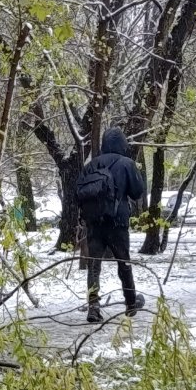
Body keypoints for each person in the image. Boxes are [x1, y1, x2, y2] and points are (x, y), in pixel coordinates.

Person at [76, 127, 145, 323]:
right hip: (117, 222)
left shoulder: (91, 165)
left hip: (94, 223)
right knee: (124, 263)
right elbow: (137, 193)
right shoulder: (127, 164)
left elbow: (80, 194)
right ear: (123, 143)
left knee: (94, 266)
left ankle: (93, 306)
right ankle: (131, 303)